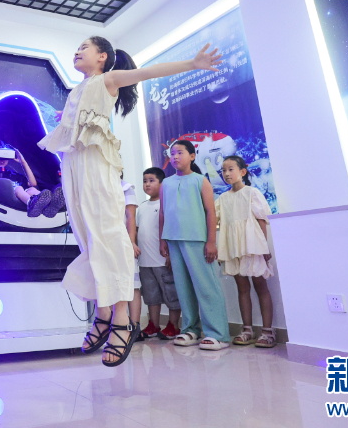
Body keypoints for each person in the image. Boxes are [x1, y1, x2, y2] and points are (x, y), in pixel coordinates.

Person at [38, 36, 221, 367]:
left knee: (107, 235)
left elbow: (148, 72)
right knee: (87, 239)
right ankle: (103, 312)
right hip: (74, 164)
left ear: (102, 56)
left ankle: (121, 319)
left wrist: (192, 64)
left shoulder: (108, 79)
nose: (77, 51)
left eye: (84, 47)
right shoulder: (76, 91)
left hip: (96, 164)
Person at [159, 140, 231, 351]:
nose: (175, 157)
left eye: (180, 152)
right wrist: (162, 240)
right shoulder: (166, 184)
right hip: (173, 240)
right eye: (172, 153)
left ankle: (218, 334)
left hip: (198, 240)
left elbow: (211, 212)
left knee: (207, 286)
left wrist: (211, 242)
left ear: (192, 156)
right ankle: (190, 329)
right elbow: (162, 213)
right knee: (183, 288)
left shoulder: (201, 181)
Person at [217, 155, 276, 348]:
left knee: (261, 287)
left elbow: (261, 220)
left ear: (242, 171)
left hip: (253, 246)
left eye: (231, 169)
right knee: (242, 289)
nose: (226, 173)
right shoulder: (222, 199)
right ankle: (247, 329)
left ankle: (267, 331)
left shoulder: (252, 193)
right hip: (234, 248)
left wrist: (264, 247)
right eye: (223, 170)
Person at [136, 167, 181, 340]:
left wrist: (171, 255)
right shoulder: (141, 207)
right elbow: (137, 231)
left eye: (151, 180)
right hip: (145, 262)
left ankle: (173, 325)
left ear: (162, 184)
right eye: (145, 181)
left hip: (162, 261)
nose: (147, 184)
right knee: (151, 296)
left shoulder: (166, 205)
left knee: (171, 294)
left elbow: (171, 230)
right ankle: (153, 325)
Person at [0, 144, 62, 217]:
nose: (2, 160)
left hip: (22, 198)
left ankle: (49, 206)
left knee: (32, 189)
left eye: (5, 156)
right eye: (0, 156)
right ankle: (31, 203)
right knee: (18, 188)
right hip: (7, 199)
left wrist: (23, 162)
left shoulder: (12, 174)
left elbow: (33, 183)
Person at [121, 178, 143, 341]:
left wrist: (131, 242)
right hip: (105, 243)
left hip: (124, 242)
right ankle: (117, 326)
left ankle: (135, 327)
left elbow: (130, 216)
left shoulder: (126, 188)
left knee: (133, 285)